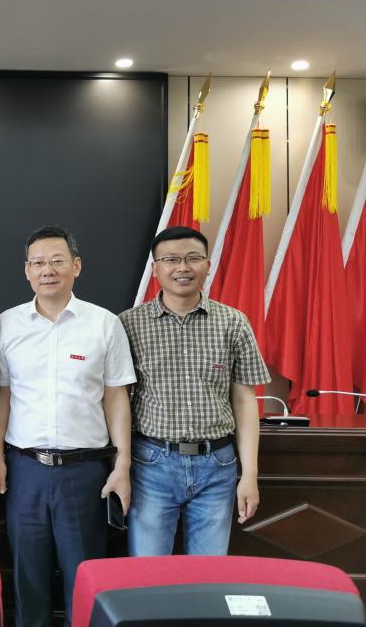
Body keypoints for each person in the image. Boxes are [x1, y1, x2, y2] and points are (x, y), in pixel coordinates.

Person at [0, 225, 136, 627]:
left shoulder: (104, 323)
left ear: (76, 266)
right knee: (28, 577)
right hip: (25, 469)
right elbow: (2, 396)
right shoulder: (6, 324)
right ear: (27, 270)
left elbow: (116, 397)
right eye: (38, 263)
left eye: (57, 261)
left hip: (85, 471)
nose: (47, 270)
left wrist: (122, 465)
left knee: (84, 576)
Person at [119, 225, 270, 556]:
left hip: (217, 464)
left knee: (209, 572)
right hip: (151, 463)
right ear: (155, 269)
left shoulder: (233, 323)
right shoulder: (129, 325)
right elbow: (117, 402)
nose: (182, 267)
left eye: (192, 258)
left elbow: (245, 401)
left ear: (208, 265)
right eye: (171, 260)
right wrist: (121, 464)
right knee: (148, 570)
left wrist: (250, 474)